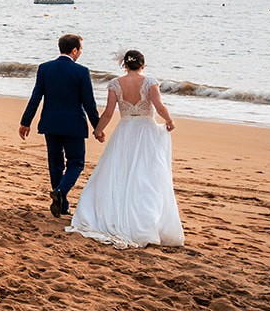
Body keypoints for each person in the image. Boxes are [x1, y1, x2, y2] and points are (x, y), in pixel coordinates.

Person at [67, 50, 183, 249]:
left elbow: (109, 112)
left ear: (124, 65)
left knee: (118, 172)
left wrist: (98, 130)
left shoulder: (115, 84)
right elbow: (159, 106)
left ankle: (113, 213)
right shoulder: (150, 82)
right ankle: (145, 221)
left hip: (125, 131)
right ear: (143, 65)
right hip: (146, 131)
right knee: (146, 175)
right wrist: (169, 121)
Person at [19, 33, 103, 217]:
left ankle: (61, 205)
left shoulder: (45, 68)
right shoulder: (81, 71)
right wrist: (98, 127)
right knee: (76, 162)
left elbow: (36, 97)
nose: (80, 53)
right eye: (80, 49)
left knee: (55, 162)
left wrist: (25, 122)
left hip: (50, 123)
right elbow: (89, 103)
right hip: (74, 125)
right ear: (74, 50)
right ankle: (61, 192)